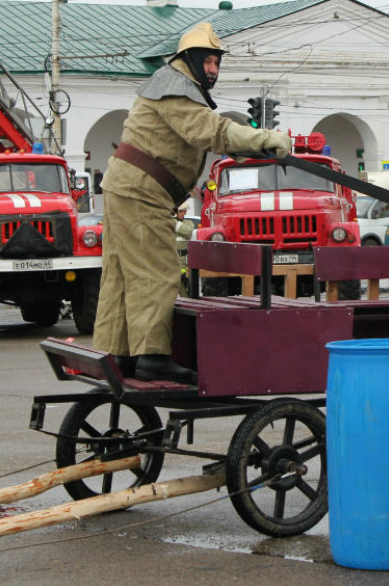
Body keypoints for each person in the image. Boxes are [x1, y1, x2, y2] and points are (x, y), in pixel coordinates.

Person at [95, 22, 291, 383]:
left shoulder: (171, 86)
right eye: (209, 61)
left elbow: (209, 137)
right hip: (141, 191)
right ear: (191, 60)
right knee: (157, 271)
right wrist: (267, 138)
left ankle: (120, 353)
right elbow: (211, 131)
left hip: (128, 187)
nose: (214, 70)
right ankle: (152, 356)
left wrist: (247, 146)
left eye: (218, 62)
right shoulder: (176, 88)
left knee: (122, 274)